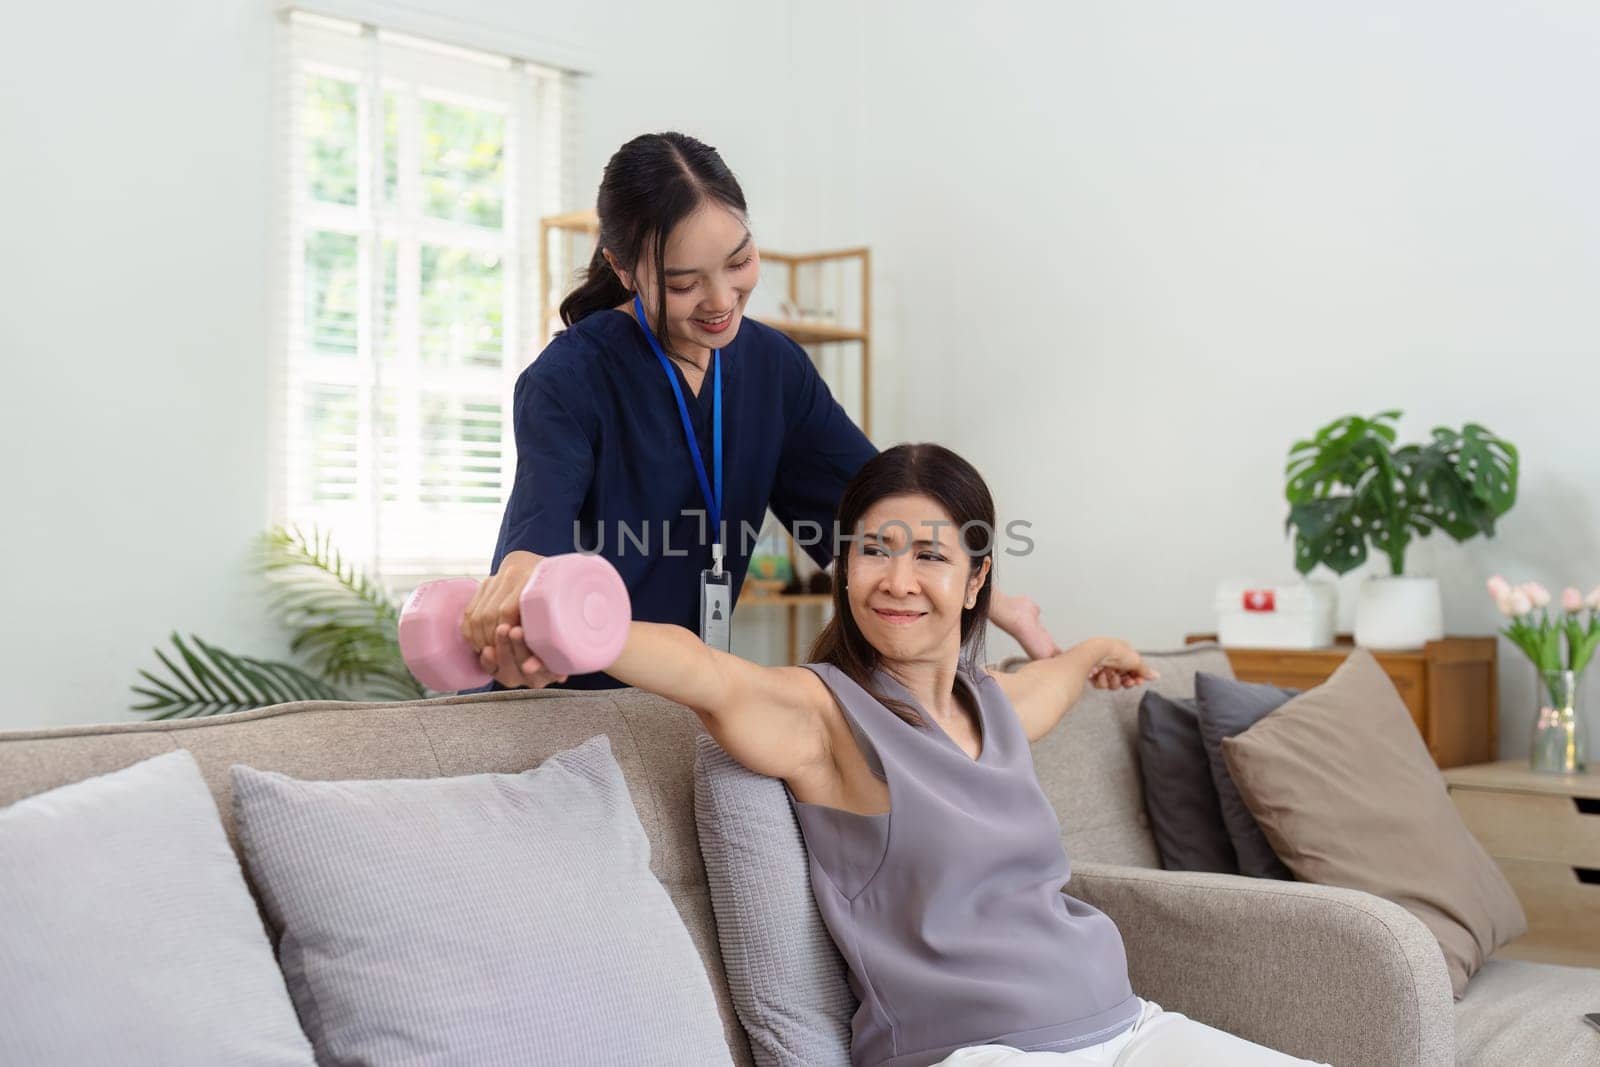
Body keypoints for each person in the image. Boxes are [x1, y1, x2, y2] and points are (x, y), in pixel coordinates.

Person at [499, 443, 1324, 1067]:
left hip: (1130, 1027)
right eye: (873, 549)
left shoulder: (991, 703)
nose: (896, 578)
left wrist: (1090, 652)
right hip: (984, 1056)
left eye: (929, 554)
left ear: (975, 583)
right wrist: (571, 624)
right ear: (845, 564)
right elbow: (704, 670)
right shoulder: (823, 714)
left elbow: (1050, 685)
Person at [461, 131, 1057, 692]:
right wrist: (516, 583)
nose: (722, 301)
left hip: (685, 696)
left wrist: (995, 600)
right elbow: (538, 520)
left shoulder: (774, 368)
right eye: (683, 282)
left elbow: (873, 515)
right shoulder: (569, 378)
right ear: (622, 269)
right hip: (566, 697)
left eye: (739, 262)